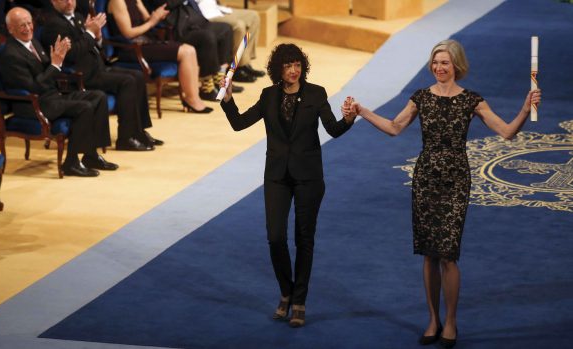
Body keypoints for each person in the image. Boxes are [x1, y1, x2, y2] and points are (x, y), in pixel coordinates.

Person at [341, 39, 541, 348]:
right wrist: (362, 110)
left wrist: (526, 108)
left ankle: (450, 322)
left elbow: (507, 131)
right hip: (425, 180)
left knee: (448, 253)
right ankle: (432, 319)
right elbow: (394, 127)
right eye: (435, 62)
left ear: (457, 66)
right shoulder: (421, 97)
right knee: (429, 253)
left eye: (445, 63)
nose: (439, 67)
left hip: (456, 182)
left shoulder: (472, 100)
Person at [220, 43, 356, 328]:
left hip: (309, 177)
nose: (294, 70)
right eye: (287, 65)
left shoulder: (316, 93)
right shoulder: (269, 96)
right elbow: (239, 123)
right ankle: (286, 290)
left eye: (297, 65)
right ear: (277, 70)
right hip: (277, 177)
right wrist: (228, 98)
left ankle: (298, 301)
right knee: (275, 237)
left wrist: (348, 119)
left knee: (304, 239)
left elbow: (332, 128)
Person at [1, 7, 118, 176]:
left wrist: (58, 58)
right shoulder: (10, 55)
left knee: (98, 96)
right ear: (10, 29)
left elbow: (47, 71)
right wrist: (55, 65)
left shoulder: (33, 42)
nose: (28, 28)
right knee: (84, 107)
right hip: (32, 104)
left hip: (51, 96)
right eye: (21, 25)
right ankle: (71, 163)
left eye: (29, 23)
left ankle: (91, 155)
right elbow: (34, 86)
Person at [42, 0, 163, 150]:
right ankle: (126, 138)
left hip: (98, 68)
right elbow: (71, 55)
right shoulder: (54, 24)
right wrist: (90, 33)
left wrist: (97, 37)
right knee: (127, 81)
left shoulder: (79, 17)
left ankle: (139, 131)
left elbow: (95, 46)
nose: (69, 2)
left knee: (137, 75)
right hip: (80, 76)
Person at [107, 0, 213, 110]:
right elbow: (128, 33)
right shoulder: (117, 2)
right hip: (130, 48)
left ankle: (193, 98)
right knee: (185, 52)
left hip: (147, 42)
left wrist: (156, 16)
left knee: (190, 50)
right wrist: (152, 21)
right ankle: (192, 100)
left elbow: (148, 20)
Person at [194, 0, 265, 82]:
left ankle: (244, 63)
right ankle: (236, 68)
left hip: (216, 8)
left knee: (254, 17)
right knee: (239, 26)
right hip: (204, 13)